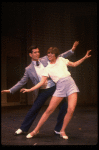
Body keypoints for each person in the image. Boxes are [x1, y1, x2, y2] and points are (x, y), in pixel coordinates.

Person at [1, 41, 79, 135]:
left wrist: (72, 50)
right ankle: (23, 128)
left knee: (64, 107)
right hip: (43, 90)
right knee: (34, 109)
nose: (37, 53)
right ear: (30, 54)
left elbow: (61, 56)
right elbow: (22, 81)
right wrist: (10, 90)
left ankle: (58, 129)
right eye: (35, 52)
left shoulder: (46, 59)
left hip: (55, 87)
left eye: (38, 51)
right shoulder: (28, 69)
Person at [20, 47, 91, 139]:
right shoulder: (47, 68)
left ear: (56, 55)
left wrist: (84, 57)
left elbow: (74, 64)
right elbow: (41, 83)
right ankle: (35, 130)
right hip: (60, 86)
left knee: (71, 110)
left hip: (71, 84)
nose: (49, 55)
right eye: (48, 53)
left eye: (51, 53)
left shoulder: (61, 60)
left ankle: (62, 130)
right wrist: (29, 89)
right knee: (49, 110)